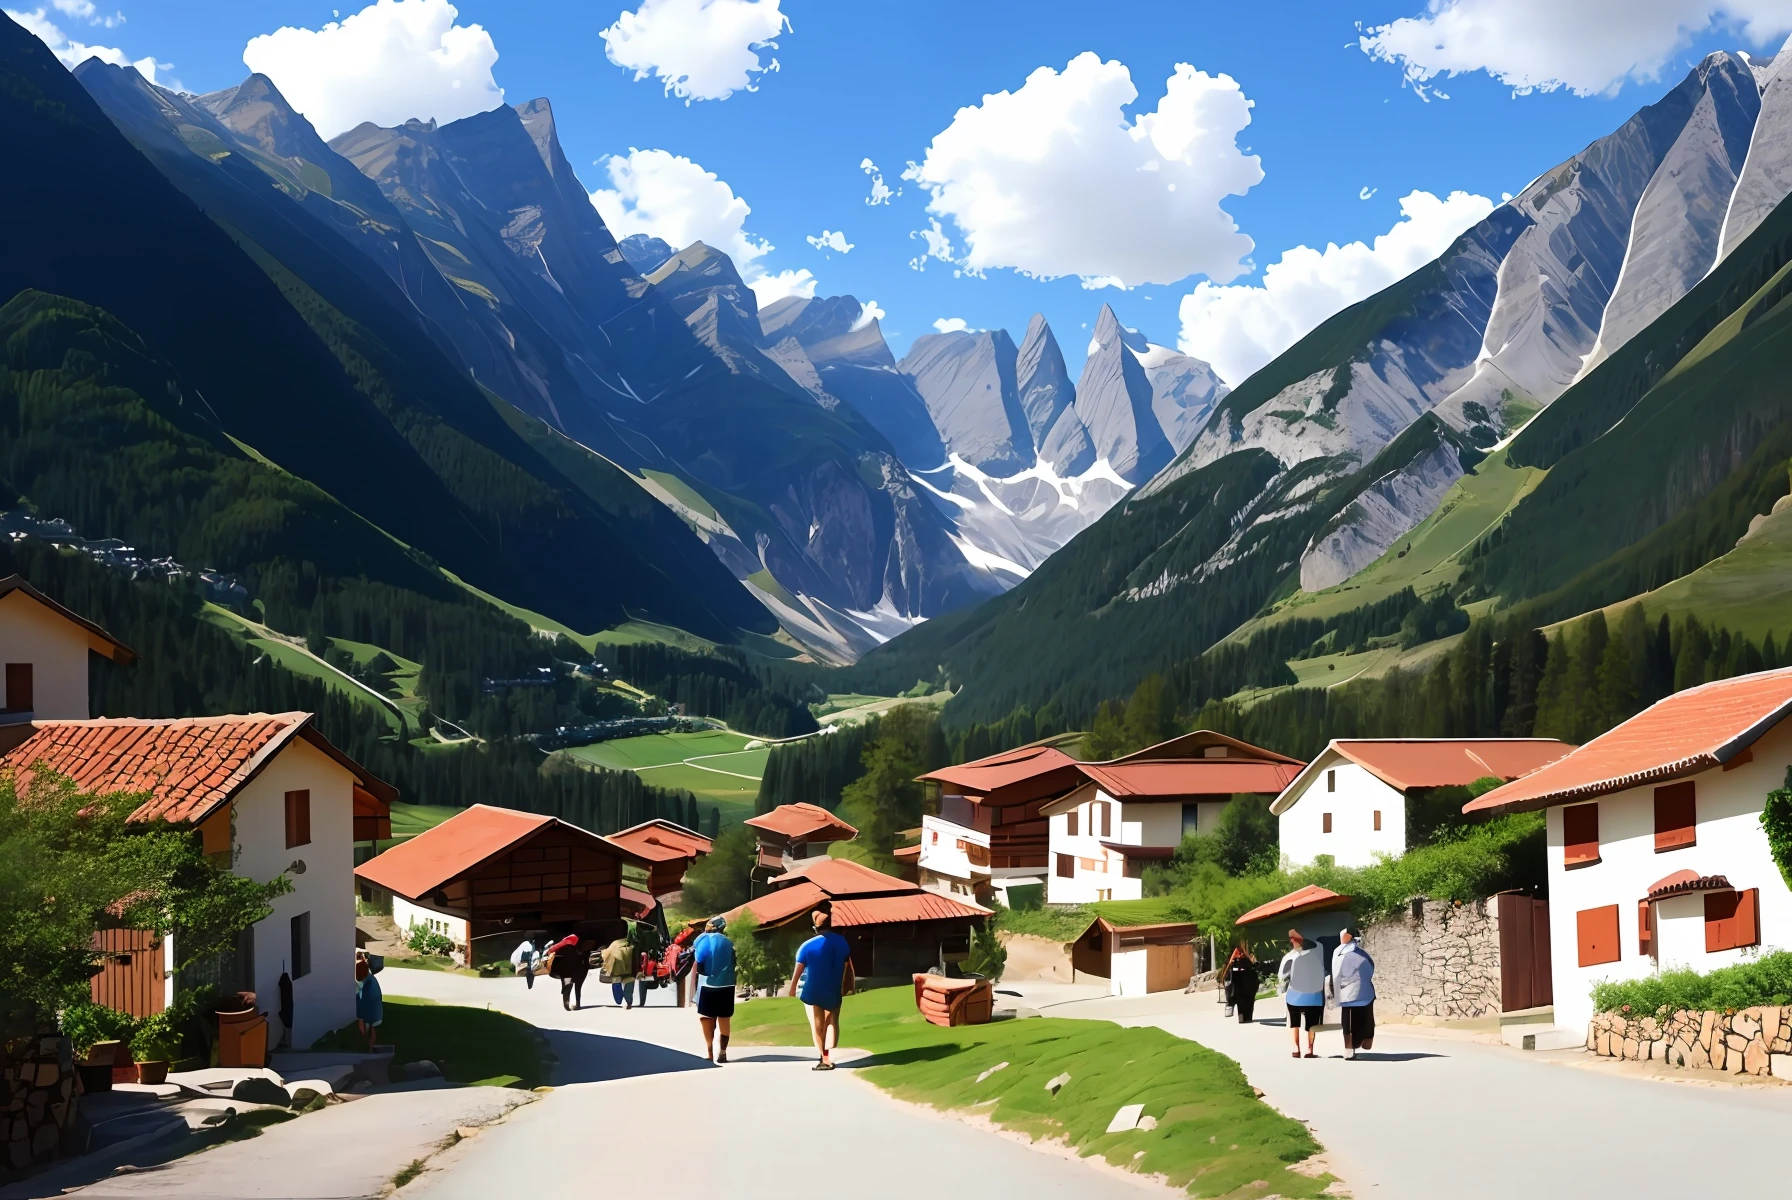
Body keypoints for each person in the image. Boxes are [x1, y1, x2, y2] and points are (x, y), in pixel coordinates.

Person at [788, 909, 855, 1071]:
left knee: (818, 1024)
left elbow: (798, 970)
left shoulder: (807, 946)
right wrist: (848, 985)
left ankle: (824, 1057)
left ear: (815, 927)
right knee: (832, 1020)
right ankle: (829, 1054)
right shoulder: (842, 942)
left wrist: (792, 989)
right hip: (834, 986)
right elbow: (848, 965)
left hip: (814, 988)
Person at [692, 916, 736, 1063]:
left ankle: (710, 1052)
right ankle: (723, 1052)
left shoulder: (702, 940)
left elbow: (699, 961)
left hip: (707, 986)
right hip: (727, 985)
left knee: (706, 1018)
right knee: (724, 1019)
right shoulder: (729, 943)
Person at [1277, 929, 1326, 1058]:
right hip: (1314, 997)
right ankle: (1309, 1050)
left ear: (1292, 941)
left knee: (1294, 1021)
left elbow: (1282, 976)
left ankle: (1296, 1048)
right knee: (1312, 1023)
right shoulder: (1316, 956)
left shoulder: (1289, 957)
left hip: (1295, 996)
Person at [1331, 926, 1376, 1059]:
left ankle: (1349, 1048)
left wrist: (1336, 991)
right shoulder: (1362, 953)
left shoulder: (1338, 953)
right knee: (1365, 1017)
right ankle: (1365, 1040)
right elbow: (1371, 967)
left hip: (1347, 994)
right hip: (1365, 992)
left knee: (1348, 1021)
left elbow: (1336, 974)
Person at [547, 933, 587, 1011]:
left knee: (567, 986)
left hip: (566, 971)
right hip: (576, 970)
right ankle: (578, 1004)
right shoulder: (578, 948)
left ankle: (566, 1003)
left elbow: (550, 951)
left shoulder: (561, 945)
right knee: (577, 987)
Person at [1223, 944, 1260, 1024]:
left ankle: (1246, 1017)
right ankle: (1244, 1018)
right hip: (1242, 981)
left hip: (1246, 980)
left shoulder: (1246, 960)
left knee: (1247, 1001)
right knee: (1244, 1001)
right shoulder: (1236, 961)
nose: (1240, 954)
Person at [601, 935, 642, 1008]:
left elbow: (605, 955)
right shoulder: (631, 943)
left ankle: (619, 1000)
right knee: (629, 982)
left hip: (617, 967)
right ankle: (628, 1002)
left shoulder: (614, 944)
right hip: (629, 967)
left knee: (616, 982)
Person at [354, 951, 383, 1050]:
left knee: (366, 1030)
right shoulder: (371, 980)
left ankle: (367, 1049)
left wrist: (361, 1020)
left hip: (369, 1011)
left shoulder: (366, 987)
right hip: (375, 1010)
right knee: (372, 1028)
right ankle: (369, 1048)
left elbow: (361, 1005)